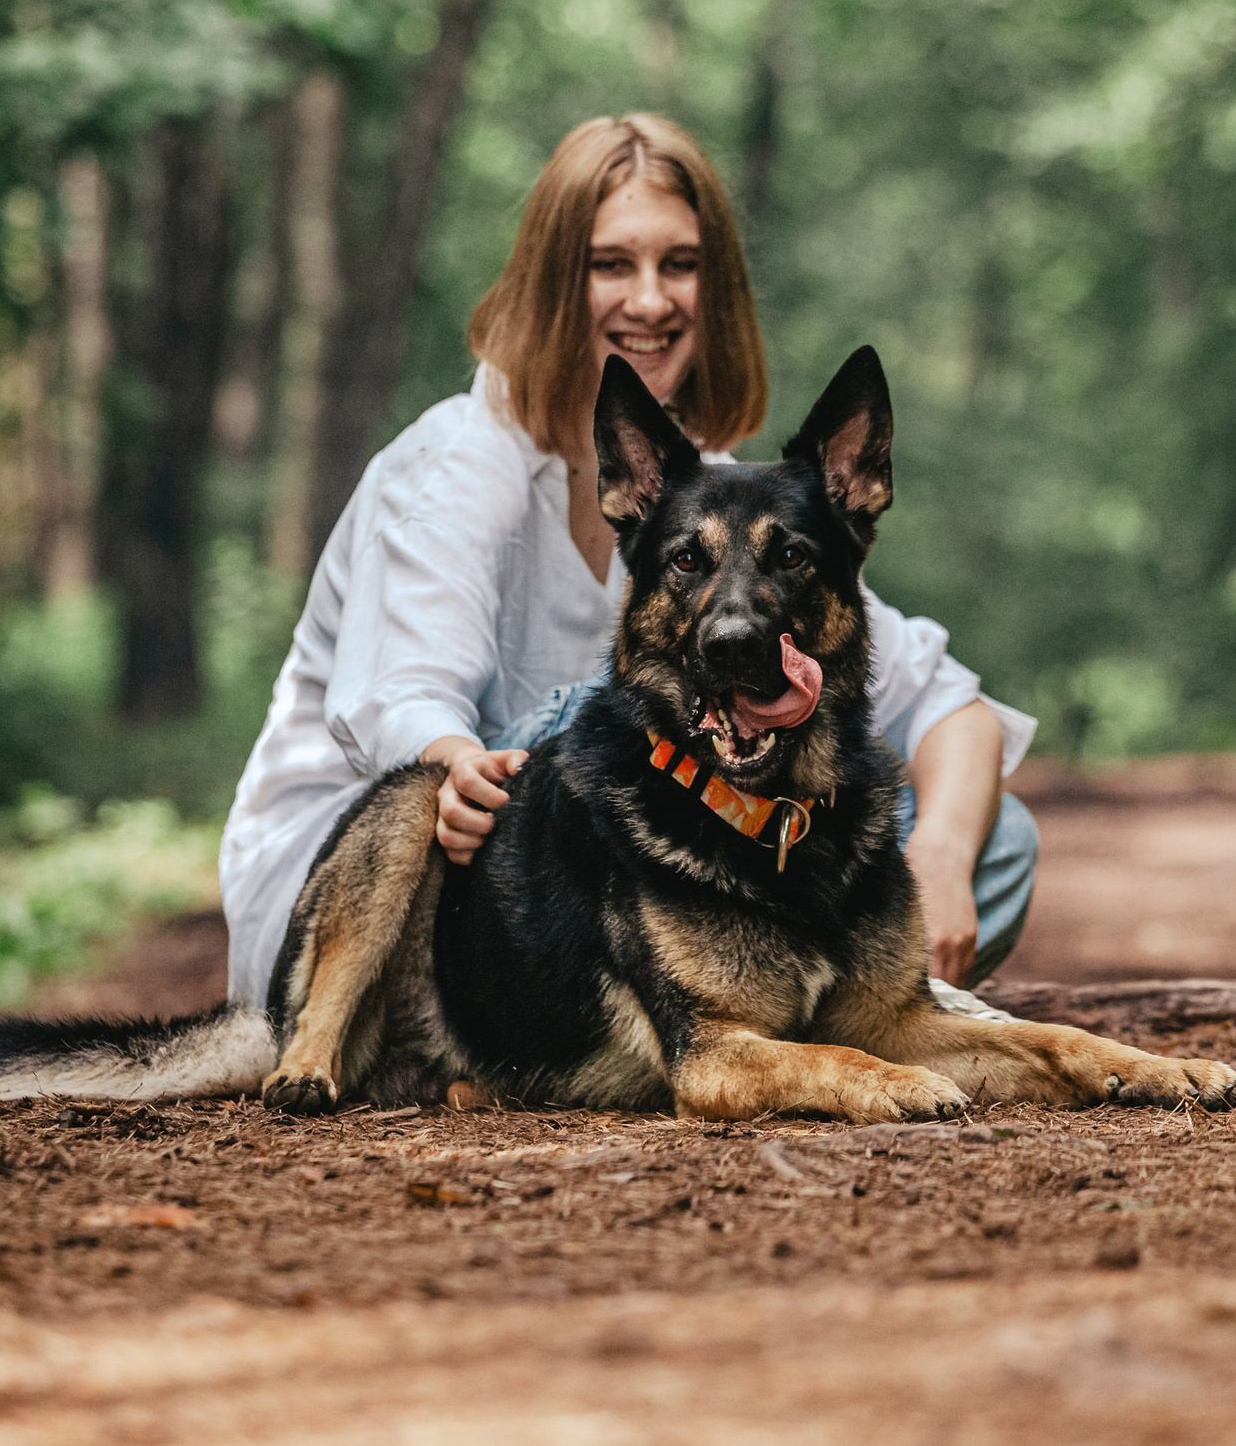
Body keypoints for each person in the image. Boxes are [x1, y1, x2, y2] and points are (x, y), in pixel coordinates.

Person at [217, 114, 1039, 1015]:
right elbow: (397, 701)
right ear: (551, 283)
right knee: (613, 718)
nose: (650, 301)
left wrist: (942, 866)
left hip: (586, 897)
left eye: (679, 265)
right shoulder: (455, 463)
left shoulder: (708, 501)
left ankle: (743, 1016)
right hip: (373, 907)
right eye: (612, 264)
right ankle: (697, 1020)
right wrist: (452, 760)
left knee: (990, 839)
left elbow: (950, 706)